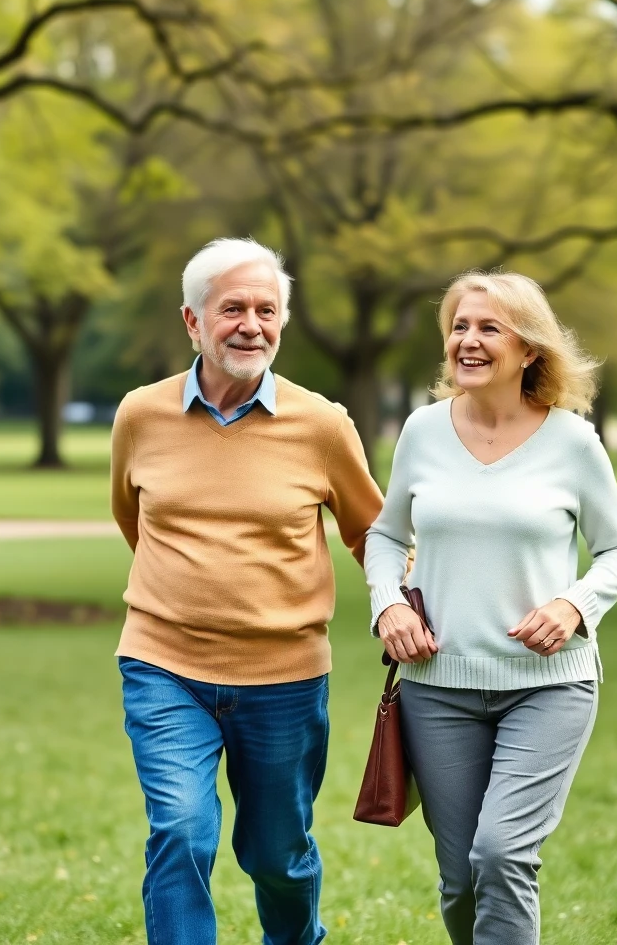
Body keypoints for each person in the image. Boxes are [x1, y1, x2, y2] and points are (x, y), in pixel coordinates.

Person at [111, 237, 383, 945]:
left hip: (285, 680)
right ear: (193, 322)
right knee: (181, 832)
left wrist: (402, 605)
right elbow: (131, 517)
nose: (252, 324)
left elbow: (372, 534)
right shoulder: (140, 415)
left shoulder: (321, 424)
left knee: (277, 855)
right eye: (232, 308)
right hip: (164, 666)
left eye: (267, 309)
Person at [365, 270, 617, 945]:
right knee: (461, 874)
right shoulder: (422, 432)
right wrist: (389, 605)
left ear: (529, 350)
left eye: (489, 327)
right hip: (439, 690)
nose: (468, 339)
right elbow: (384, 536)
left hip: (548, 689)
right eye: (460, 325)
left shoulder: (574, 442)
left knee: (502, 856)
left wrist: (575, 604)